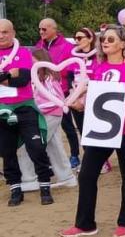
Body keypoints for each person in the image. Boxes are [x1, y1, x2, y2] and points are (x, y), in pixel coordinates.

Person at [59, 25, 125, 237]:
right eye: (103, 39)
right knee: (86, 174)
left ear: (123, 44)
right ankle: (85, 224)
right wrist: (82, 104)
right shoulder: (99, 68)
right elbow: (95, 97)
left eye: (111, 40)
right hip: (100, 129)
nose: (105, 42)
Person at [0, 19, 54, 206]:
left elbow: (22, 80)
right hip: (2, 110)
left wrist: (4, 77)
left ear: (13, 33)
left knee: (36, 148)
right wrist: (9, 74)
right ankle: (15, 189)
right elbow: (12, 77)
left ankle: (45, 186)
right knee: (7, 152)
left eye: (5, 32)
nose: (1, 35)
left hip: (25, 107)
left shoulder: (23, 52)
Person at [17, 49, 76, 192]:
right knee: (54, 145)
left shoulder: (47, 77)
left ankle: (29, 178)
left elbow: (56, 98)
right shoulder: (38, 77)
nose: (30, 64)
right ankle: (66, 176)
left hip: (49, 114)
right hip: (47, 114)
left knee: (29, 144)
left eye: (33, 61)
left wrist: (35, 108)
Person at [35, 18, 80, 171]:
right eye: (39, 29)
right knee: (47, 129)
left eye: (44, 29)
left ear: (54, 29)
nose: (41, 32)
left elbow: (73, 68)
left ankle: (74, 155)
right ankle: (47, 160)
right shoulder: (38, 45)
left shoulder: (67, 46)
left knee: (68, 126)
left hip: (64, 93)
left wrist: (58, 76)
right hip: (43, 94)